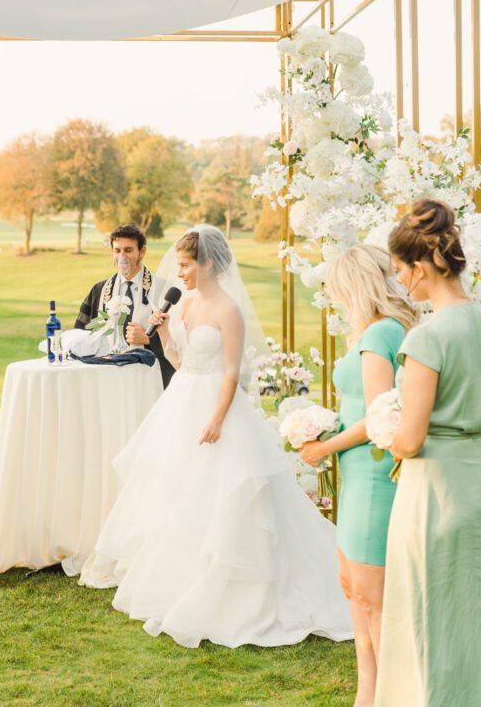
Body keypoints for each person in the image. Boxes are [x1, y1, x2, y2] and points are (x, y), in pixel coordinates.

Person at [78, 225, 352, 648]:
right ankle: (181, 579)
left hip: (217, 408)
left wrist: (218, 419)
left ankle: (236, 585)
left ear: (207, 264)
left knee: (225, 491)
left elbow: (231, 373)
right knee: (179, 491)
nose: (179, 273)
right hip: (181, 402)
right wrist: (163, 331)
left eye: (186, 265)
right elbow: (179, 360)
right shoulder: (185, 302)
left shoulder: (228, 310)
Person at [373, 199, 481, 706]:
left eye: (401, 269)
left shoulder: (428, 338)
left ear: (421, 266)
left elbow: (410, 438)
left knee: (433, 604)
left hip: (436, 485)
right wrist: (473, 423)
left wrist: (389, 435)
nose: (400, 280)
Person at [297, 244, 417, 707]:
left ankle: (393, 696)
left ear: (355, 286)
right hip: (357, 475)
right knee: (354, 590)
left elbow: (378, 415)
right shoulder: (379, 331)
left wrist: (323, 447)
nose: (335, 298)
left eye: (338, 288)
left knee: (374, 599)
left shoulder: (380, 333)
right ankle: (367, 694)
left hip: (372, 476)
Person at [73, 223, 175, 386]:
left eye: (128, 250)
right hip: (106, 379)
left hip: (147, 380)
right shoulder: (99, 291)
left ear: (142, 251)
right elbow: (80, 336)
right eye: (117, 250)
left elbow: (180, 340)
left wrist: (150, 340)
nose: (122, 256)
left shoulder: (163, 290)